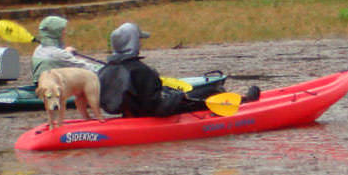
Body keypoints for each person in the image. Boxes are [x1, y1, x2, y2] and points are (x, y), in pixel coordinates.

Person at [98, 21, 260, 117]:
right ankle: (245, 102)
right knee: (212, 90)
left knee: (192, 93)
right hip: (154, 114)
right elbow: (156, 107)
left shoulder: (106, 70)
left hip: (134, 113)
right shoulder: (140, 70)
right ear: (133, 42)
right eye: (139, 40)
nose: (140, 43)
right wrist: (177, 97)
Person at [31, 15, 100, 82]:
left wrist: (66, 52)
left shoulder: (38, 49)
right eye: (62, 30)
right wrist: (106, 68)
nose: (65, 32)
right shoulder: (59, 54)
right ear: (56, 33)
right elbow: (89, 69)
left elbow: (55, 57)